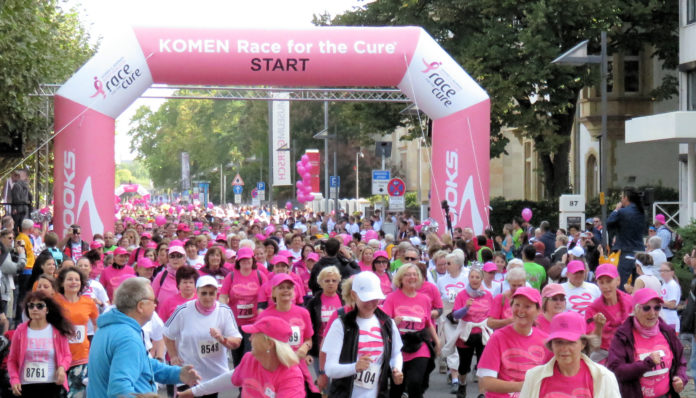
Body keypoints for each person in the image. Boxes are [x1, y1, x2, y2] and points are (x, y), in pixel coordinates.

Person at [87, 277, 201, 397]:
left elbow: (142, 363)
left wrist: (178, 374)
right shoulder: (127, 338)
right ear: (141, 306)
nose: (156, 305)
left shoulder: (110, 328)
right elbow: (119, 390)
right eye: (153, 300)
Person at [178, 316, 304, 398]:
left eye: (254, 335)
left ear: (269, 344)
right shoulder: (250, 359)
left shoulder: (291, 377)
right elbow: (229, 379)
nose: (250, 338)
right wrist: (193, 392)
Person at [322, 271, 404, 397]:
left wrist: (396, 369)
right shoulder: (341, 325)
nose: (371, 303)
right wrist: (355, 367)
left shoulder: (387, 323)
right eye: (366, 299)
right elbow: (330, 369)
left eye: (375, 299)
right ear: (354, 295)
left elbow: (396, 353)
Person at [164, 275, 241, 397]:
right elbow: (167, 334)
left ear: (217, 293)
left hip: (213, 374)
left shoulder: (224, 311)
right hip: (188, 371)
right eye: (204, 293)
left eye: (211, 293)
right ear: (197, 292)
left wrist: (222, 339)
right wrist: (173, 355)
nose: (208, 297)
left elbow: (236, 341)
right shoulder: (183, 310)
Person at [607, 288, 688, 397]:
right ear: (635, 310)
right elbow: (616, 370)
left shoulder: (667, 332)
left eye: (657, 307)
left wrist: (681, 378)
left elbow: (681, 362)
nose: (653, 313)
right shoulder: (623, 336)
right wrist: (646, 364)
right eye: (646, 308)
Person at [519, 311, 620, 397]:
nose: (564, 348)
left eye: (571, 342)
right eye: (559, 342)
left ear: (583, 343)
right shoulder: (534, 377)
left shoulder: (604, 377)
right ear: (551, 345)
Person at [477, 287, 551, 398]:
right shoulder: (498, 338)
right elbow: (486, 382)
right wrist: (524, 386)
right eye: (517, 305)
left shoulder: (546, 340)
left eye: (527, 306)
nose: (521, 310)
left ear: (538, 311)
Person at [383, 263, 439, 398]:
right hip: (398, 345)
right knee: (397, 387)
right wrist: (393, 322)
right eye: (408, 275)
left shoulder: (424, 299)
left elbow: (428, 323)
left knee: (415, 382)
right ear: (401, 279)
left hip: (420, 344)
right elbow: (383, 322)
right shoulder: (392, 298)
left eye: (415, 274)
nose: (412, 277)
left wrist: (437, 342)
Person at [257, 273, 319, 396]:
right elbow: (259, 347)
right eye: (281, 287)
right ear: (273, 292)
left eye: (289, 287)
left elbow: (308, 339)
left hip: (298, 368)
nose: (286, 290)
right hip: (275, 370)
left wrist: (304, 348)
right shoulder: (265, 316)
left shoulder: (303, 313)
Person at [8, 291, 73, 397]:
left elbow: (67, 355)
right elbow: (12, 360)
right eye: (31, 306)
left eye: (40, 306)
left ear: (47, 309)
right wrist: (14, 379)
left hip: (52, 385)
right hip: (26, 386)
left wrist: (62, 367)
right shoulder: (20, 331)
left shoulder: (57, 330)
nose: (34, 309)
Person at [53, 266, 99, 397]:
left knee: (76, 394)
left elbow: (97, 324)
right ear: (62, 283)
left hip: (81, 355)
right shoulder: (54, 301)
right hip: (58, 356)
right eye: (70, 279)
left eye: (77, 280)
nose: (74, 282)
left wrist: (95, 343)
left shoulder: (88, 302)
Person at [218, 246, 267, 367]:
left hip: (254, 323)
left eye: (248, 259)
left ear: (253, 260)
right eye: (243, 260)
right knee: (237, 357)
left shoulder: (260, 276)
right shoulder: (232, 276)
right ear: (238, 261)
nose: (246, 262)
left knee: (249, 354)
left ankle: (249, 382)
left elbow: (268, 297)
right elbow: (223, 296)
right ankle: (240, 384)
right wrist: (224, 310)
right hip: (235, 323)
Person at [448, 267, 493, 396]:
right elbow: (456, 315)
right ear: (468, 279)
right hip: (466, 334)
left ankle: (482, 393)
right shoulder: (462, 295)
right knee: (464, 366)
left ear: (482, 279)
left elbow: (492, 315)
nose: (474, 280)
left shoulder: (488, 295)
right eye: (472, 277)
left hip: (483, 333)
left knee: (482, 365)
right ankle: (462, 384)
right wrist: (466, 307)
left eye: (477, 277)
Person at [584, 264, 633, 363]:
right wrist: (599, 327)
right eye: (601, 282)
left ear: (618, 281)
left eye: (609, 281)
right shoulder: (592, 309)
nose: (605, 286)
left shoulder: (630, 301)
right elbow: (593, 344)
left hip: (629, 349)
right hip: (603, 353)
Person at [606, 187, 646, 289]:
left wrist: (616, 210)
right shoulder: (642, 212)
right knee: (638, 284)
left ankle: (623, 304)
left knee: (621, 283)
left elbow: (609, 222)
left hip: (627, 251)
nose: (621, 200)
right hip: (640, 251)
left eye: (621, 198)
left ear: (626, 198)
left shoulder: (622, 212)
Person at [306, 266, 343, 367]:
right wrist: (307, 351)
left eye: (334, 280)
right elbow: (307, 326)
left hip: (340, 348)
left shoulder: (344, 300)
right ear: (321, 283)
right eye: (327, 281)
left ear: (338, 282)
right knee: (322, 381)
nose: (330, 283)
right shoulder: (314, 302)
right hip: (320, 349)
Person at [0, 229, 25, 332]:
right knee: (6, 321)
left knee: (8, 319)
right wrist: (22, 254)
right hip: (3, 293)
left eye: (13, 238)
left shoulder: (7, 251)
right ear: (2, 238)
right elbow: (19, 267)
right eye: (9, 238)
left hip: (8, 288)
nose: (12, 241)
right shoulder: (3, 253)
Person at [659, 262, 681, 332]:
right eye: (661, 270)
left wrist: (657, 300)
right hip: (664, 317)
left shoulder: (672, 285)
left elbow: (672, 304)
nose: (662, 272)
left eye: (665, 271)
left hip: (670, 319)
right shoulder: (665, 284)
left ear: (672, 272)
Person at [10, 170, 31, 235]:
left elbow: (16, 198)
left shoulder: (16, 185)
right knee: (22, 226)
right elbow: (30, 196)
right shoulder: (26, 186)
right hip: (24, 208)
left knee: (15, 226)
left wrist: (14, 208)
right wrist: (27, 202)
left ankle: (17, 239)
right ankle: (22, 239)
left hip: (17, 208)